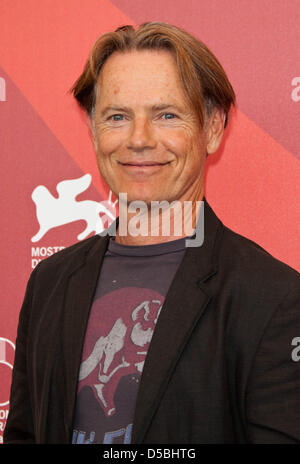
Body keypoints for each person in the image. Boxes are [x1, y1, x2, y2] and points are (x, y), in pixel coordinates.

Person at [4, 22, 300, 444]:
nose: (139, 140)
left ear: (212, 127)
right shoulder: (49, 282)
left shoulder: (274, 297)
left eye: (166, 115)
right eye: (118, 116)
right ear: (92, 128)